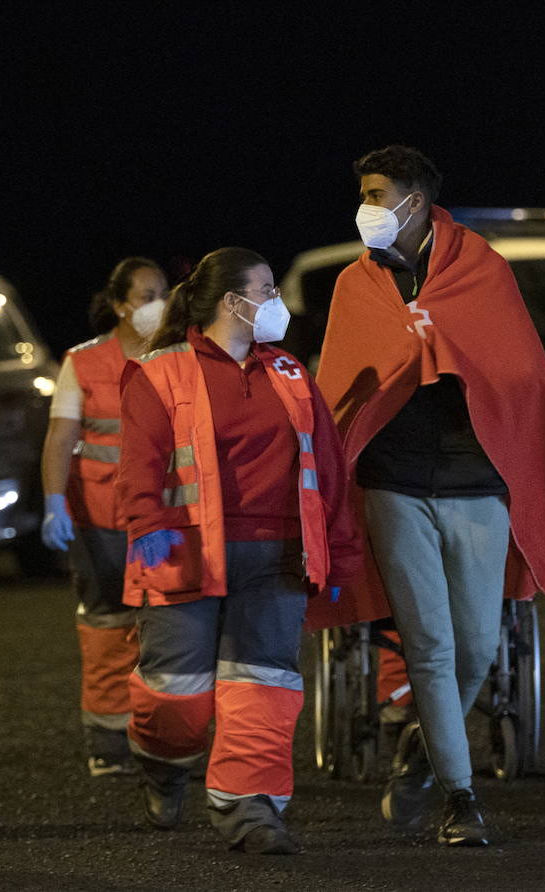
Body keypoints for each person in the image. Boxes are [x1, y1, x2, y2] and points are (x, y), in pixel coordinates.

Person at [311, 145, 545, 846]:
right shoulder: (357, 283)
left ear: (416, 199)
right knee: (431, 646)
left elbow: (521, 378)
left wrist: (445, 348)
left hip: (477, 481)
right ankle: (461, 797)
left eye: (378, 192)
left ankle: (420, 749)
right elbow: (344, 392)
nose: (368, 206)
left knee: (477, 645)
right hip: (394, 483)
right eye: (364, 193)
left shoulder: (482, 269)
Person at [115, 247, 362, 854]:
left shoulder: (290, 374)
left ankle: (251, 812)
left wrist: (340, 552)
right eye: (267, 289)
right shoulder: (160, 371)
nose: (277, 302)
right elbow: (140, 460)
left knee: (263, 688)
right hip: (185, 553)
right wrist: (145, 519)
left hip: (278, 556)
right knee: (178, 697)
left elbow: (327, 469)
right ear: (233, 302)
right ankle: (164, 763)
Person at [39, 257, 168, 776]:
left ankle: (160, 737)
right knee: (108, 626)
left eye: (164, 292)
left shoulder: (179, 357)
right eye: (145, 295)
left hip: (162, 517)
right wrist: (53, 501)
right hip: (100, 518)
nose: (157, 303)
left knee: (165, 629)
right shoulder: (84, 362)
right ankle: (108, 743)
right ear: (118, 305)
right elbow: (61, 437)